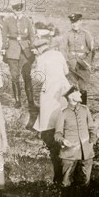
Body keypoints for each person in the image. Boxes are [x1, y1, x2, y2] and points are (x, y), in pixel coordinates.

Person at [31, 38, 70, 184]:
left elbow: (40, 78)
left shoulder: (41, 58)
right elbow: (65, 71)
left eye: (36, 48)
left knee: (48, 117)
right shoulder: (58, 54)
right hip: (62, 88)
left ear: (41, 48)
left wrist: (34, 71)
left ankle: (52, 138)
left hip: (49, 90)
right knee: (61, 111)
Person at [55, 86, 96, 197]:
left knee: (86, 182)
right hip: (69, 153)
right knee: (66, 181)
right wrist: (63, 140)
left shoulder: (85, 109)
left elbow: (92, 128)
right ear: (71, 96)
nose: (80, 93)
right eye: (77, 92)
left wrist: (92, 140)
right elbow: (57, 134)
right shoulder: (63, 113)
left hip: (86, 152)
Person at [1, 2, 36, 110]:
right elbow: (3, 35)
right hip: (12, 50)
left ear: (22, 9)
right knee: (14, 76)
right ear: (13, 10)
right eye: (16, 9)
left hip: (25, 51)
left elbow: (32, 35)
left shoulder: (27, 20)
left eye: (20, 9)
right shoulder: (7, 20)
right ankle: (17, 100)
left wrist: (33, 47)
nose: (18, 11)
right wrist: (3, 48)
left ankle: (31, 102)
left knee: (27, 75)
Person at [63, 13, 94, 105]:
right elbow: (62, 48)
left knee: (83, 87)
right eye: (72, 22)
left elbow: (92, 50)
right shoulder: (67, 34)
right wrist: (67, 60)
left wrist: (87, 63)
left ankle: (83, 107)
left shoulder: (86, 34)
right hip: (71, 64)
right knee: (72, 86)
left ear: (80, 22)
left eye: (76, 22)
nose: (74, 24)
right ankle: (73, 107)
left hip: (83, 64)